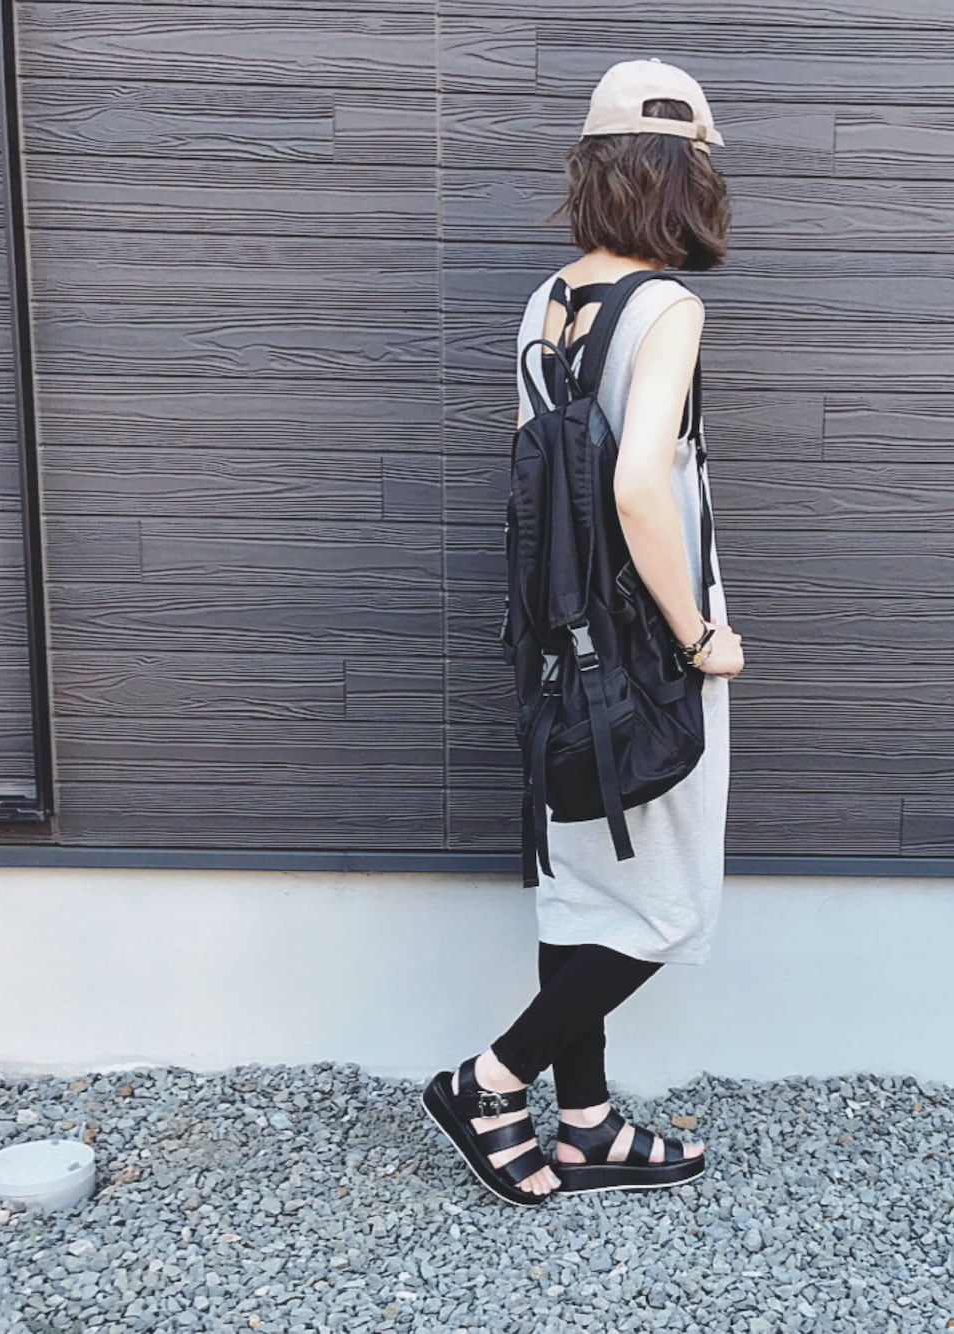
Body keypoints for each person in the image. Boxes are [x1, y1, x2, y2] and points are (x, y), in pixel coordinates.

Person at [423, 58, 745, 1206]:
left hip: (561, 640)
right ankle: (489, 1080)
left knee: (583, 888)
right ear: (682, 178)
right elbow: (638, 488)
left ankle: (587, 1122)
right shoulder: (667, 307)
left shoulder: (546, 301)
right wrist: (698, 635)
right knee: (665, 902)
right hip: (648, 642)